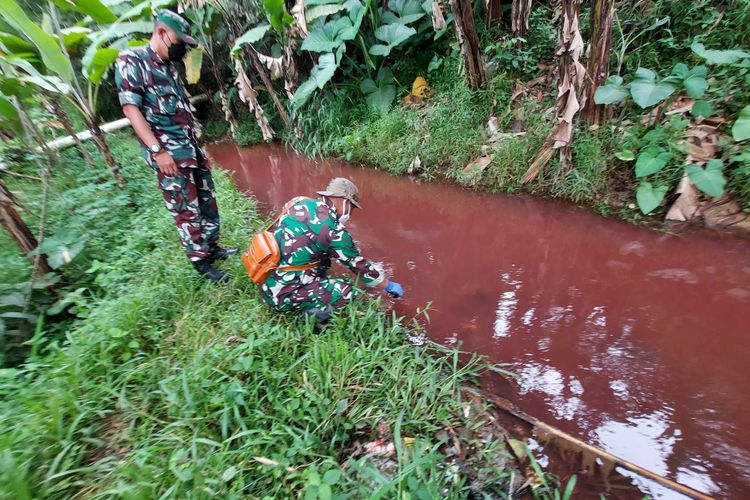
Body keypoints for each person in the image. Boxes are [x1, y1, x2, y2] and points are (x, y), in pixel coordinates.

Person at [114, 9, 237, 284]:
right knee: (185, 206)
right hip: (168, 154)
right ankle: (201, 261)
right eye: (179, 39)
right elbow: (131, 110)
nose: (183, 47)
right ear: (161, 32)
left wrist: (199, 147)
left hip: (190, 148)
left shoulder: (168, 67)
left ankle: (212, 246)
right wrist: (158, 152)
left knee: (206, 200)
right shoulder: (132, 60)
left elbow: (180, 110)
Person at [260, 178, 404, 322]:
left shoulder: (298, 202)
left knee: (320, 262)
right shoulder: (334, 230)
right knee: (347, 291)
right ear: (345, 201)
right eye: (352, 207)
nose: (350, 213)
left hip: (265, 278)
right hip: (281, 295)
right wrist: (387, 285)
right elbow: (359, 266)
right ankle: (310, 318)